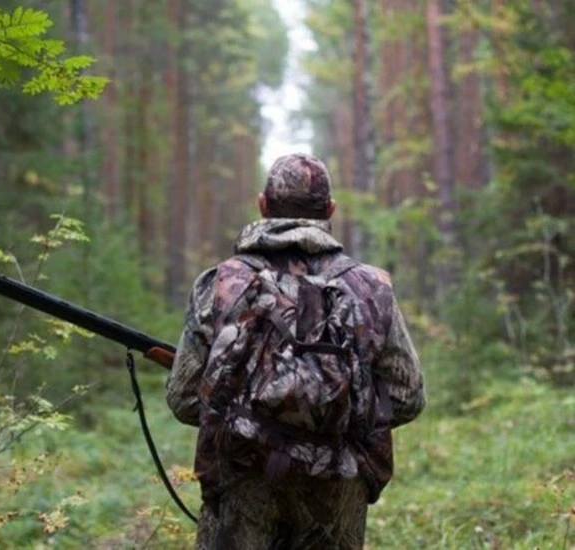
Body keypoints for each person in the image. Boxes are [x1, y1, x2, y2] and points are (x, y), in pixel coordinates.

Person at [166, 153, 425, 549]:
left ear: (263, 205)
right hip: (339, 485)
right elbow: (408, 397)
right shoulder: (371, 287)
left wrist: (251, 419)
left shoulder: (220, 284)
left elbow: (184, 400)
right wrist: (333, 418)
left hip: (242, 484)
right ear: (330, 210)